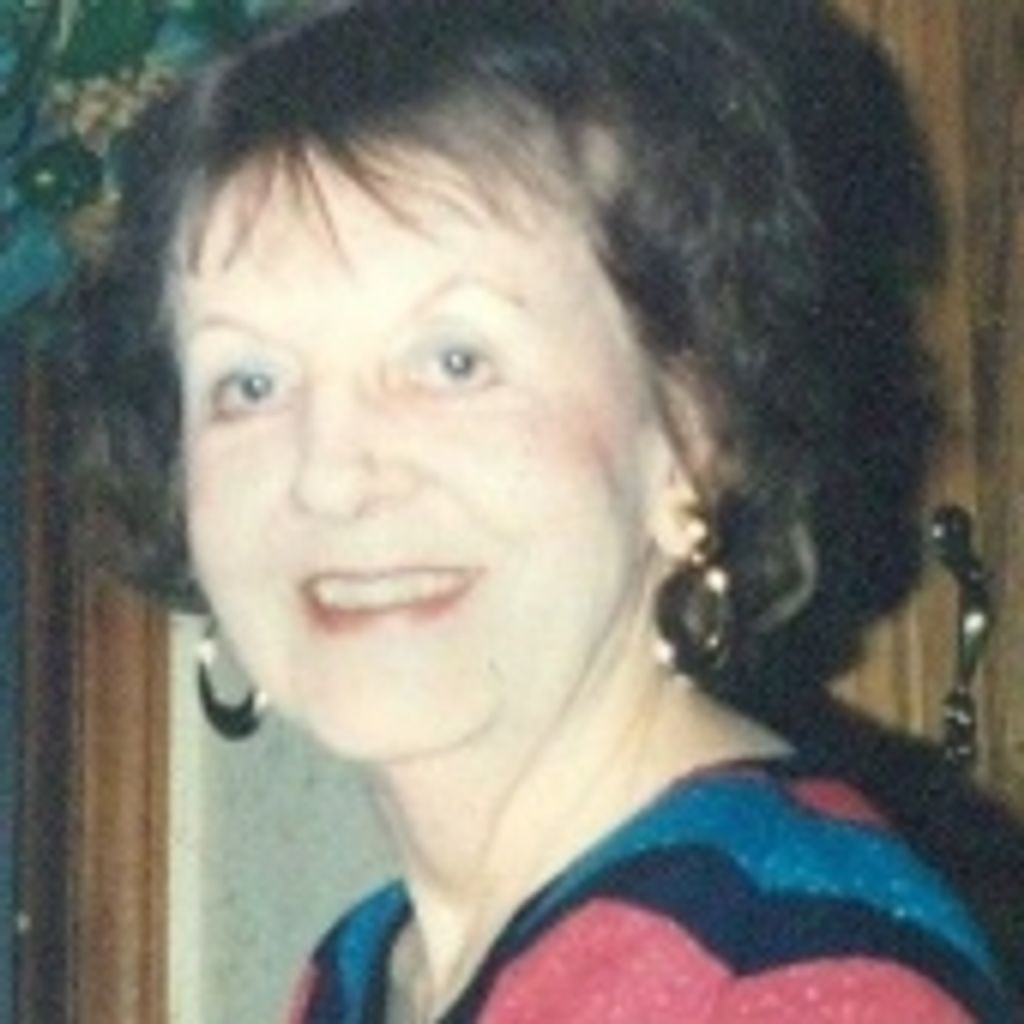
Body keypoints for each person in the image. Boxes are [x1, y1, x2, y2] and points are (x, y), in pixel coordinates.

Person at [73, 1, 1012, 1020]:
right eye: (250, 382)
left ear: (691, 435)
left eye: (454, 361)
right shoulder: (359, 972)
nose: (329, 476)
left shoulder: (783, 970)